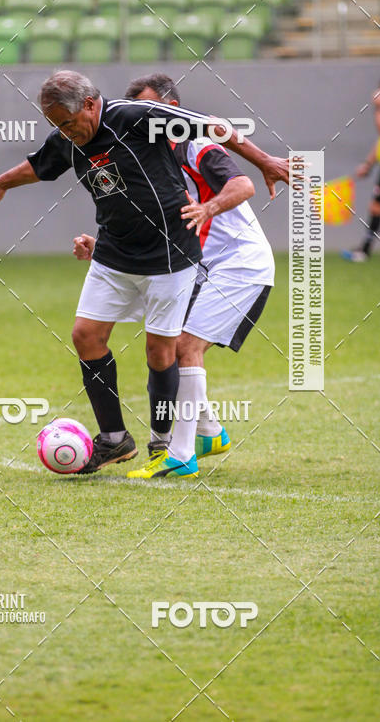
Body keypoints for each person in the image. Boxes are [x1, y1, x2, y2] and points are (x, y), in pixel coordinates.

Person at [0, 70, 285, 475]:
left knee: (164, 350)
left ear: (89, 104)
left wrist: (265, 161)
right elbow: (38, 166)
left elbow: (214, 126)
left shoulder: (137, 117)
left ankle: (164, 442)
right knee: (85, 335)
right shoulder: (68, 138)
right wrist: (0, 183)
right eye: (56, 126)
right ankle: (115, 439)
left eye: (67, 122)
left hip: (169, 255)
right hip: (114, 254)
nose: (64, 132)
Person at [74, 73, 275, 479]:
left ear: (174, 111)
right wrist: (103, 247)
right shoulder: (141, 152)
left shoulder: (195, 144)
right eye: (140, 112)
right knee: (167, 345)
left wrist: (209, 208)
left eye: (154, 109)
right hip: (194, 266)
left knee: (183, 347)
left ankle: (180, 454)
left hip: (239, 264)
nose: (147, 118)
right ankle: (209, 431)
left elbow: (243, 185)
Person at [343, 77, 380, 262]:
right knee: (378, 205)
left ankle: (364, 251)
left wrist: (378, 108)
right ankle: (364, 250)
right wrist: (368, 164)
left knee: (377, 206)